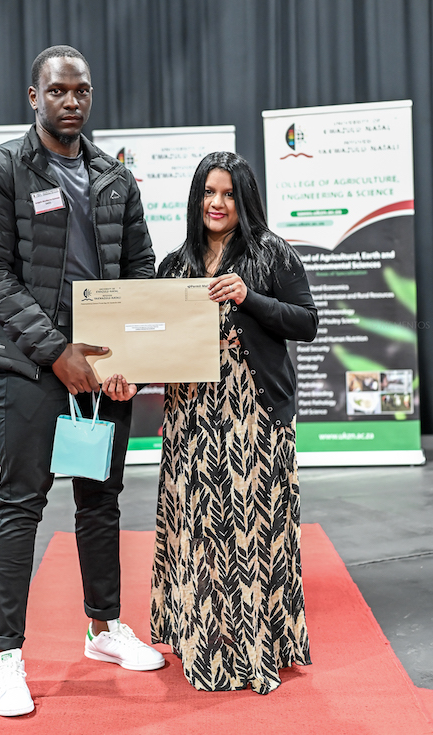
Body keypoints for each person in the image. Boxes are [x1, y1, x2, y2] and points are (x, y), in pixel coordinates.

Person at [0, 45, 164, 718]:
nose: (71, 101)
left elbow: (139, 269)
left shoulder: (114, 176)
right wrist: (57, 353)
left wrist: (130, 357)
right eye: (57, 91)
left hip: (102, 364)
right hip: (29, 363)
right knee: (21, 503)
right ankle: (5, 656)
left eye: (81, 90)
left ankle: (104, 628)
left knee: (100, 501)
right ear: (34, 97)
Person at [150, 152, 318, 695]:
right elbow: (155, 342)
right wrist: (127, 370)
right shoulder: (174, 266)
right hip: (191, 418)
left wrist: (250, 298)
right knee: (198, 532)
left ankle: (259, 647)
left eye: (227, 193)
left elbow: (306, 322)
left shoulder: (272, 253)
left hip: (255, 416)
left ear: (244, 198)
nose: (217, 204)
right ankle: (206, 648)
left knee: (254, 534)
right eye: (208, 192)